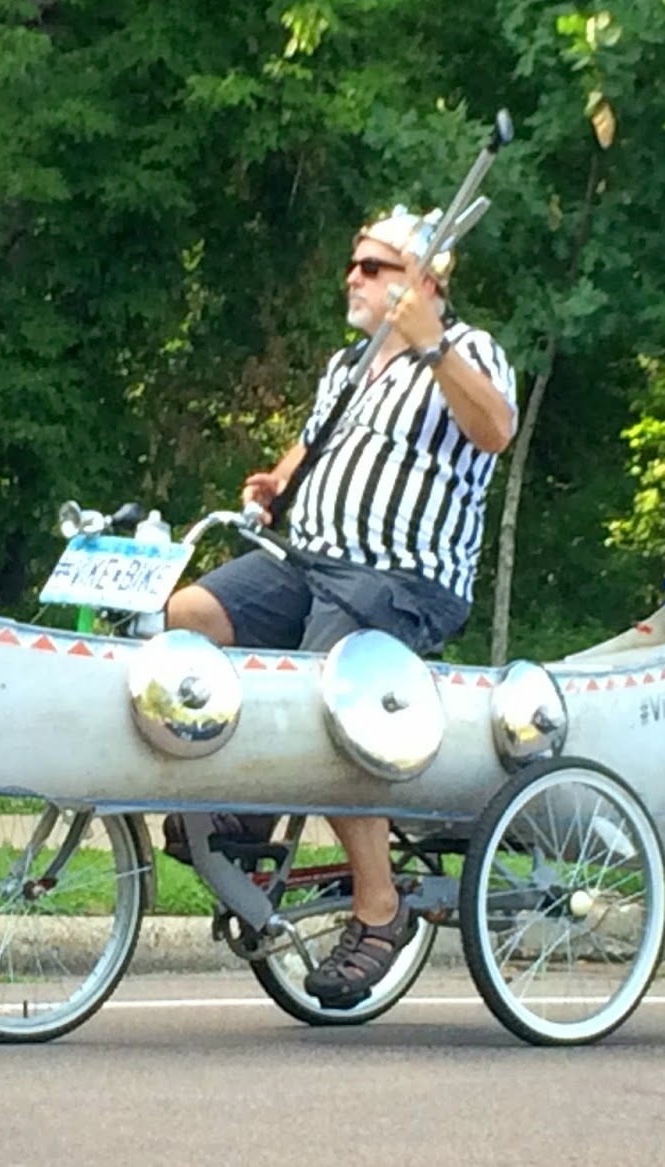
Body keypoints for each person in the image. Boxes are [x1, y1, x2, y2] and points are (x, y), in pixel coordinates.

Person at [165, 207, 517, 1007]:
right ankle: (249, 813)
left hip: (400, 578)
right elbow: (315, 444)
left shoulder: (468, 349)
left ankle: (380, 906)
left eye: (373, 266)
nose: (352, 277)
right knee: (191, 615)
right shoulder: (347, 365)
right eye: (354, 264)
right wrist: (277, 480)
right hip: (310, 561)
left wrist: (431, 343)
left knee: (327, 690)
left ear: (424, 281)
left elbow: (495, 429)